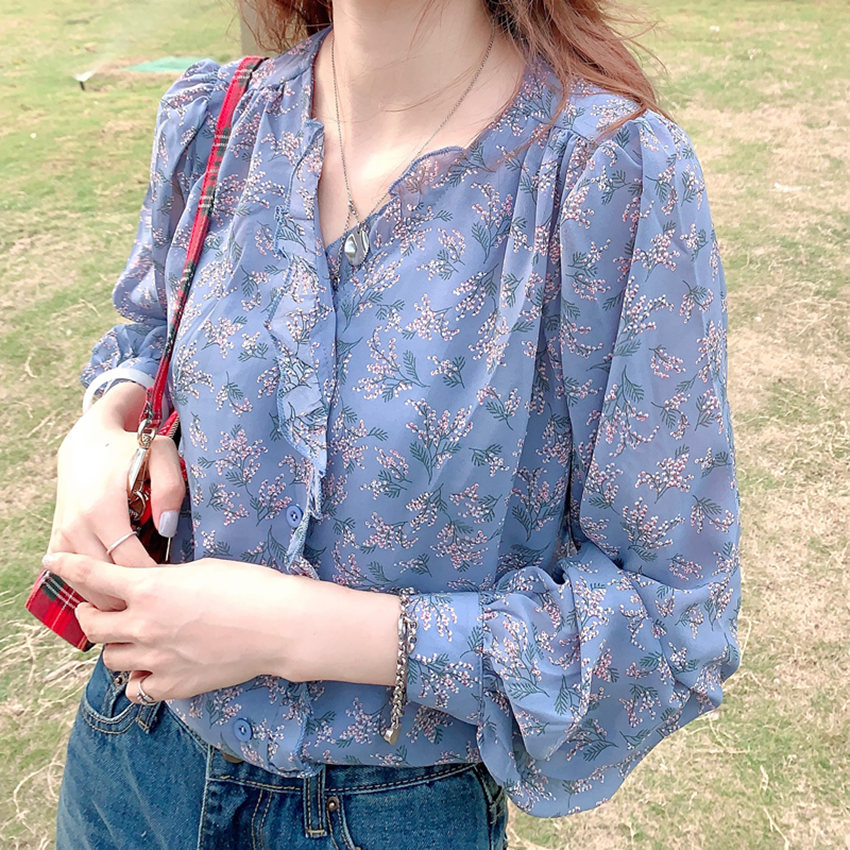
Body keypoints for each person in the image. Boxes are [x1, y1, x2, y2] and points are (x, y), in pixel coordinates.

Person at [45, 0, 742, 847]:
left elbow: (669, 620)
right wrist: (102, 426)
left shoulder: (608, 175)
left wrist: (295, 630)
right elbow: (151, 329)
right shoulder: (220, 121)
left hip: (385, 812)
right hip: (132, 760)